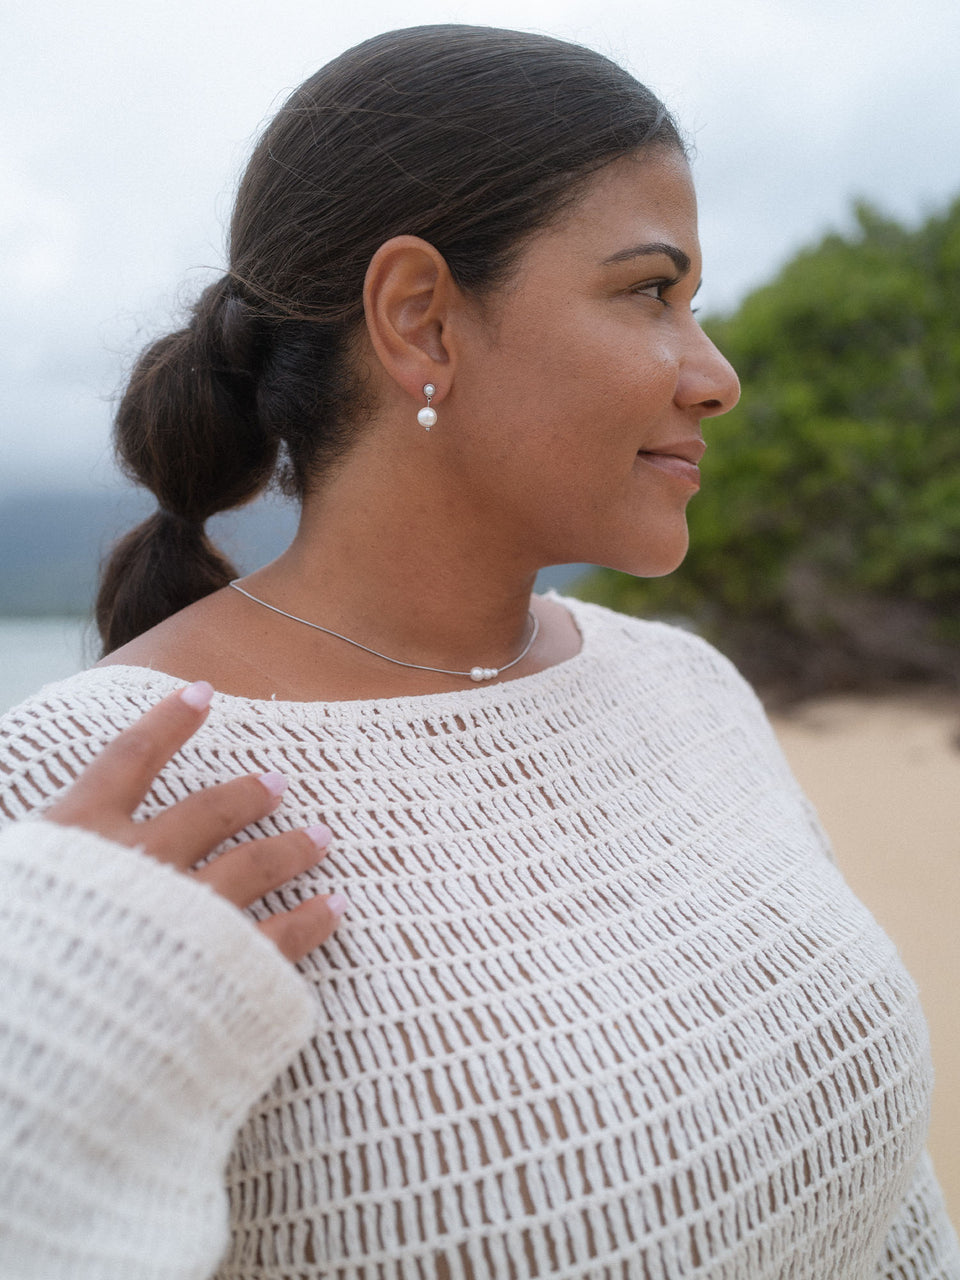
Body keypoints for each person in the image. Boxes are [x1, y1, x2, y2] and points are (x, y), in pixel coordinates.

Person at [0, 22, 957, 1279]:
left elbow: (891, 1214)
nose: (717, 376)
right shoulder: (70, 796)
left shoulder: (689, 687)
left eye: (696, 304)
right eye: (650, 291)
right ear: (422, 320)